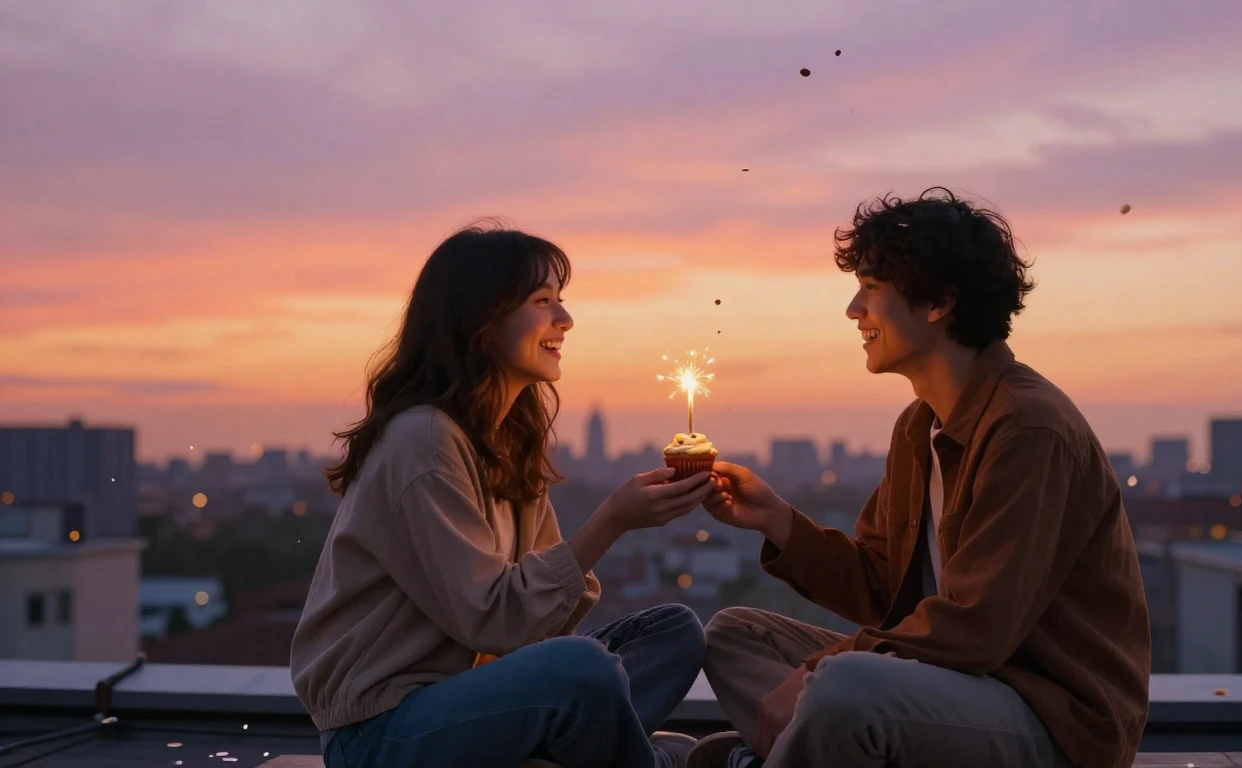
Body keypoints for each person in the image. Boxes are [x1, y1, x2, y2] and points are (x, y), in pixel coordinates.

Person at [689, 188, 1151, 768]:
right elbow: (883, 591)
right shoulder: (919, 428)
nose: (854, 310)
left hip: (1051, 718)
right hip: (955, 686)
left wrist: (814, 672)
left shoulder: (1028, 430)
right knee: (734, 635)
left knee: (841, 689)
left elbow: (977, 628)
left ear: (937, 303)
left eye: (872, 290)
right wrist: (779, 522)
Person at [290, 223, 715, 768]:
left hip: (472, 699)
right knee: (583, 671)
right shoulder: (423, 440)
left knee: (674, 631)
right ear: (482, 321)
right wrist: (611, 521)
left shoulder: (506, 438)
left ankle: (589, 750)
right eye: (543, 301)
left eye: (561, 301)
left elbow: (535, 627)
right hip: (381, 734)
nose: (566, 320)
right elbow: (491, 620)